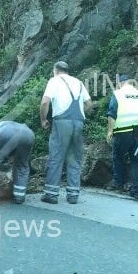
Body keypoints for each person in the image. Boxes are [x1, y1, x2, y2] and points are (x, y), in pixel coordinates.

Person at [39, 61, 92, 204]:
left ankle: (51, 194)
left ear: (55, 71)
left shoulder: (54, 81)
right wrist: (79, 115)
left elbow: (45, 102)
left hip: (62, 122)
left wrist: (43, 119)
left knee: (56, 157)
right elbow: (89, 104)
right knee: (74, 158)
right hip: (79, 122)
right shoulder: (79, 82)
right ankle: (73, 195)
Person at [106, 74, 138, 200]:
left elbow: (112, 114)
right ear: (131, 83)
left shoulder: (118, 94)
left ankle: (119, 183)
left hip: (123, 132)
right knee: (137, 161)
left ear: (120, 83)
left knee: (118, 156)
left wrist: (110, 131)